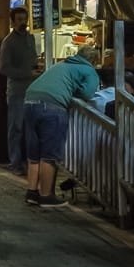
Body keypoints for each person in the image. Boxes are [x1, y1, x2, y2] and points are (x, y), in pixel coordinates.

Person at [24, 45, 100, 207]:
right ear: (94, 61)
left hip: (29, 101)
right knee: (49, 154)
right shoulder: (89, 71)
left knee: (34, 152)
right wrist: (76, 89)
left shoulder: (61, 65)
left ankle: (32, 192)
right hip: (52, 106)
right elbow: (88, 94)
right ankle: (46, 196)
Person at [0, 6, 38, 176]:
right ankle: (15, 162)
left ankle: (28, 161)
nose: (23, 23)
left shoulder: (30, 39)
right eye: (19, 20)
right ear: (13, 21)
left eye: (24, 19)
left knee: (30, 128)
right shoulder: (8, 42)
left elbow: (33, 58)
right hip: (16, 91)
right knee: (16, 128)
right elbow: (3, 68)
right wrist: (26, 73)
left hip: (32, 89)